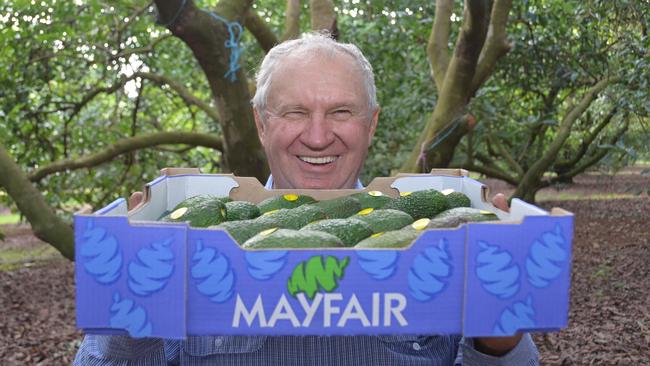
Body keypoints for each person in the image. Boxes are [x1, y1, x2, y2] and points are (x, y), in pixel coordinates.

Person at [74, 33, 538, 365]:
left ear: (371, 124)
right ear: (261, 124)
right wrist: (128, 294)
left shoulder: (454, 242)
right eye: (295, 112)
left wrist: (496, 334)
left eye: (341, 111)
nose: (318, 136)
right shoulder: (183, 240)